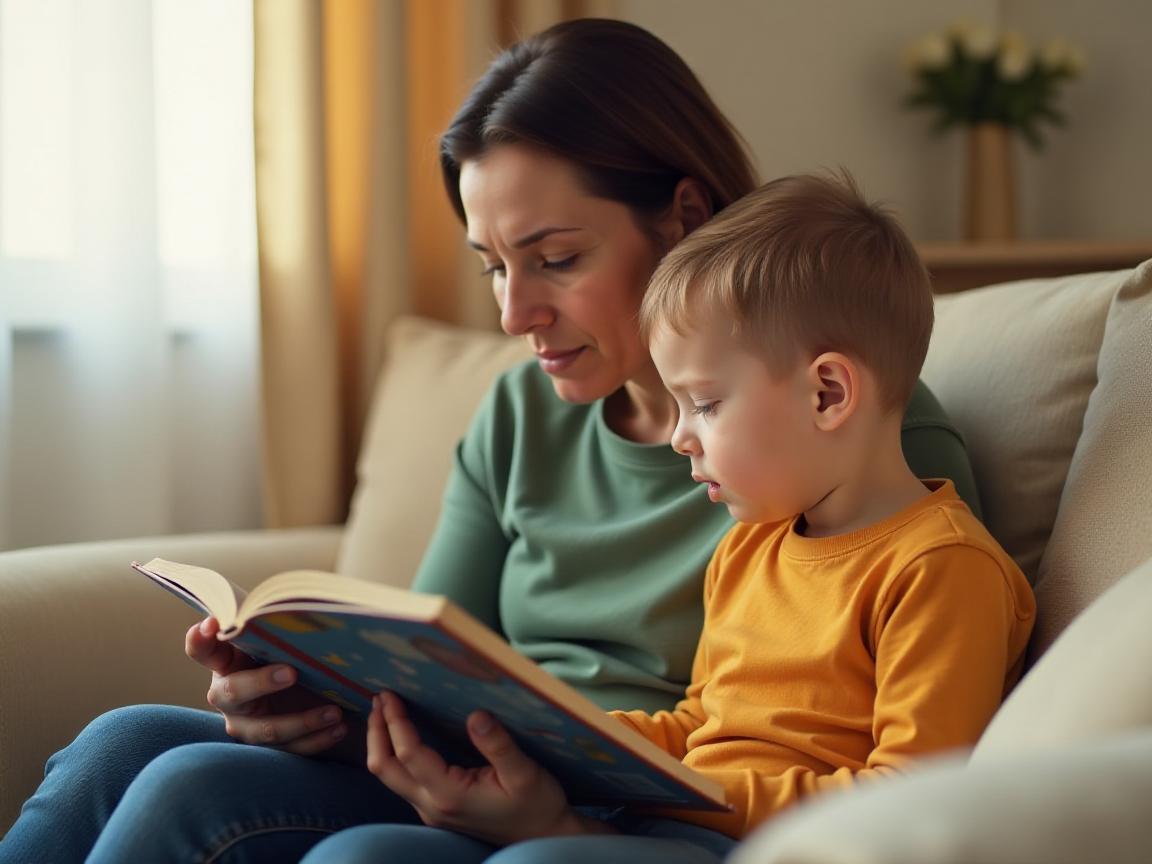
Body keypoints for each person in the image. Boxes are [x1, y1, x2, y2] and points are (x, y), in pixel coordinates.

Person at [0, 21, 980, 864]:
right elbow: (423, 658)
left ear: (683, 215)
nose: (517, 313)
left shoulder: (846, 440)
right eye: (492, 267)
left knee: (202, 801)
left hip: (614, 815)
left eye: (555, 259)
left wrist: (571, 805)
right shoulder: (519, 415)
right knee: (124, 741)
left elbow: (870, 734)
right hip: (493, 767)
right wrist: (319, 709)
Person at [293, 173, 1036, 862]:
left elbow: (912, 800)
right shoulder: (753, 547)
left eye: (706, 405)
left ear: (828, 395)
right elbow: (697, 722)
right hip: (677, 823)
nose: (680, 436)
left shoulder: (940, 569)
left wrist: (691, 799)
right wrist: (564, 741)